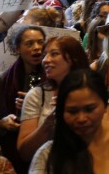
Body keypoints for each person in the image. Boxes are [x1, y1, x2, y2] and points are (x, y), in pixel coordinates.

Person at [17, 36, 88, 164]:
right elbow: (24, 152)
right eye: (45, 55)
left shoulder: (91, 91)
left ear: (73, 59)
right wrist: (49, 122)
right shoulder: (37, 95)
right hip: (47, 168)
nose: (45, 60)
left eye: (54, 54)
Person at [0, 25, 46, 174]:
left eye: (41, 42)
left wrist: (34, 106)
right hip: (16, 153)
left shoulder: (53, 75)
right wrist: (4, 123)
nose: (37, 48)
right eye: (29, 44)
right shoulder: (2, 80)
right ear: (17, 48)